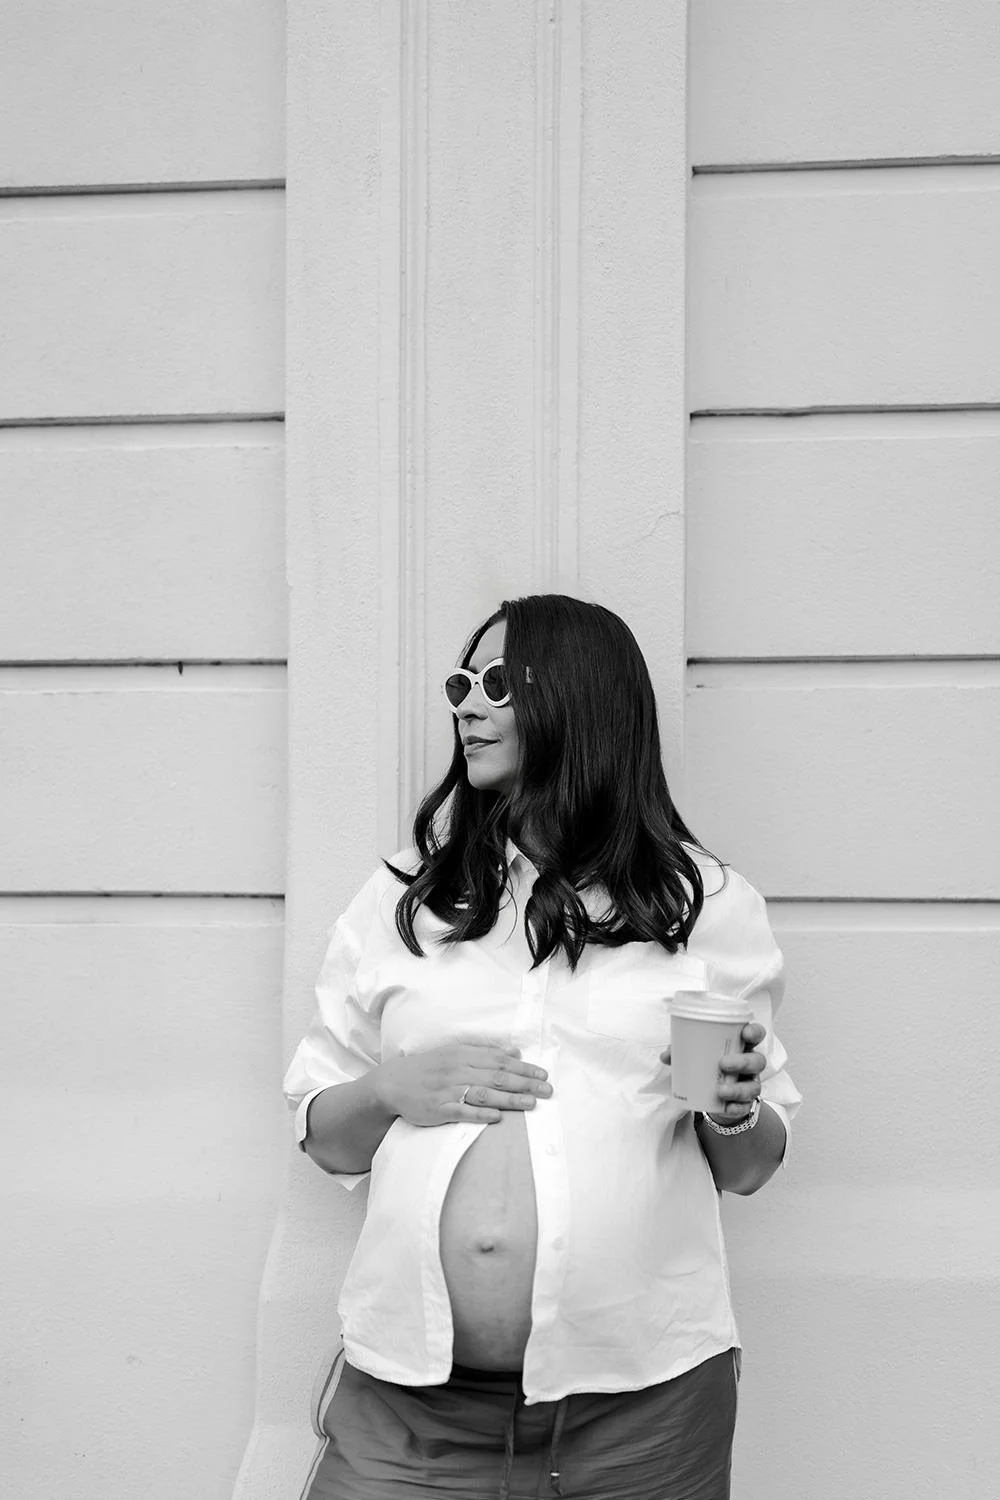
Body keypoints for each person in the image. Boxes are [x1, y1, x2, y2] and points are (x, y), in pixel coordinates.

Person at [285, 594, 802, 1500]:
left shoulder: (708, 907)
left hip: (639, 1409)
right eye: (460, 684)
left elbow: (749, 1167)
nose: (466, 707)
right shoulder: (404, 905)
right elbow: (324, 1135)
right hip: (414, 1411)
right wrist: (392, 1088)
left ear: (578, 700)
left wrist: (734, 1106)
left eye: (494, 683)